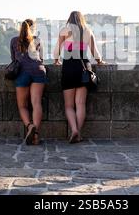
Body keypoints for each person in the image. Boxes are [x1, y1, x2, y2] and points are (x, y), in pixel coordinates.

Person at [54, 11, 105, 144]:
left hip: (69, 67)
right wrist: (99, 61)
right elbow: (95, 53)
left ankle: (74, 129)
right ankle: (79, 133)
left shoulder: (65, 30)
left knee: (69, 105)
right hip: (84, 68)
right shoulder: (88, 31)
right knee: (81, 104)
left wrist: (56, 60)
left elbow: (57, 51)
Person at [10, 19, 48, 146]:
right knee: (36, 103)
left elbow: (14, 59)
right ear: (34, 28)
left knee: (22, 106)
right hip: (38, 71)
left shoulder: (14, 41)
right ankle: (36, 136)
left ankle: (29, 126)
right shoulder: (37, 40)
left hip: (22, 72)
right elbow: (41, 58)